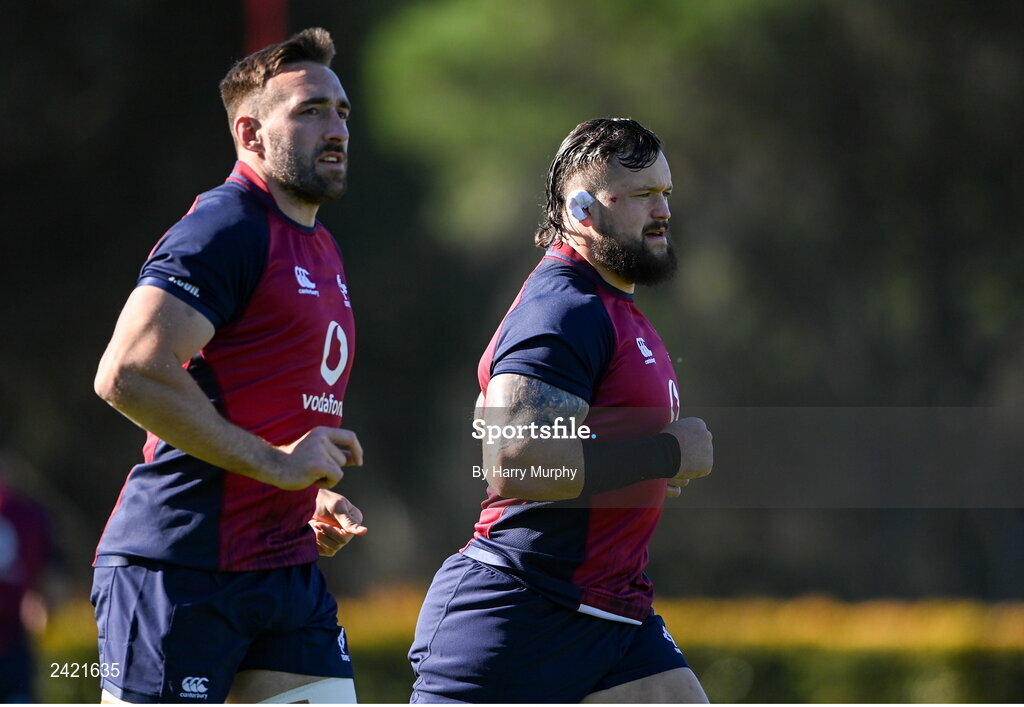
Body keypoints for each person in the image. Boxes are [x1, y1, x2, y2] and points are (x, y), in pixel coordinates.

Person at [91, 27, 366, 704]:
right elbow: (128, 370)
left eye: (341, 112)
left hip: (285, 571)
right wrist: (275, 463)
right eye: (309, 112)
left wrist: (303, 491)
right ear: (251, 133)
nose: (335, 128)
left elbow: (263, 403)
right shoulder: (225, 226)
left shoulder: (319, 244)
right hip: (179, 568)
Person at [410, 118, 714, 703]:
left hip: (613, 614)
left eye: (666, 193)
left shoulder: (613, 306)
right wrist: (667, 453)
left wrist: (645, 468)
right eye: (642, 194)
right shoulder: (564, 306)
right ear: (582, 212)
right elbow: (513, 463)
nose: (663, 210)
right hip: (522, 612)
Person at [0, 466, 53, 704]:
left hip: (13, 641)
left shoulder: (28, 515)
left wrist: (40, 598)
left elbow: (49, 567)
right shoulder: (29, 514)